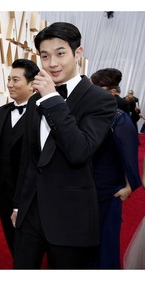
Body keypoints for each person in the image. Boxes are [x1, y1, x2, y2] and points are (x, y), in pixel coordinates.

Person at [11, 22, 117, 269]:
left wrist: (51, 98)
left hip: (70, 217)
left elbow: (79, 150)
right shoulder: (36, 98)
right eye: (45, 56)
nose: (52, 64)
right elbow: (29, 156)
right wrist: (18, 204)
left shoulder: (100, 100)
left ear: (77, 53)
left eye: (60, 53)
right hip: (30, 213)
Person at [0, 59, 39, 257]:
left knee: (27, 240)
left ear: (32, 84)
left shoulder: (41, 112)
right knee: (10, 234)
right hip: (4, 186)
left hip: (29, 190)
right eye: (9, 79)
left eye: (16, 80)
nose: (10, 84)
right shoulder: (3, 111)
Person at [90, 68, 141, 268]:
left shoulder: (120, 119)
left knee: (104, 240)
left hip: (109, 189)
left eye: (96, 88)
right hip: (87, 186)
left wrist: (129, 188)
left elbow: (129, 156)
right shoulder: (91, 113)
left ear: (111, 92)